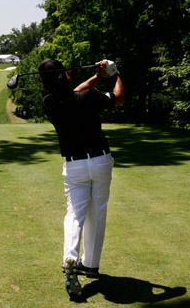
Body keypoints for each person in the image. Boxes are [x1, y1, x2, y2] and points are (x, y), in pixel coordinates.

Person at [37, 58, 125, 297]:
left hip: (74, 166)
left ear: (44, 83)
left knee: (75, 212)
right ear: (66, 75)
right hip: (99, 161)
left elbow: (72, 93)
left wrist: (96, 77)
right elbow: (118, 98)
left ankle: (70, 256)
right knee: (97, 211)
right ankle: (91, 264)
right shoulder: (88, 98)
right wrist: (113, 72)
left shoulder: (50, 102)